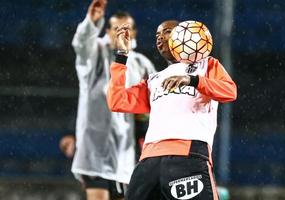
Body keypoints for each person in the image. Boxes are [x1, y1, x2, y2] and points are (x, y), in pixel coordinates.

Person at [106, 20, 237, 200]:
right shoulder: (154, 80)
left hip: (187, 155)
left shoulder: (206, 65)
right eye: (157, 36)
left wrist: (193, 80)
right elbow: (117, 101)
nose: (160, 39)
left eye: (167, 32)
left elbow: (230, 92)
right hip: (148, 161)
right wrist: (121, 56)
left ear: (184, 33)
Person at [70, 0, 156, 199]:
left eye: (126, 29)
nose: (121, 33)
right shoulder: (95, 54)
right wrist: (91, 22)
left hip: (125, 154)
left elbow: (156, 98)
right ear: (107, 31)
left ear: (133, 33)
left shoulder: (142, 64)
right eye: (116, 28)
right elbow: (81, 45)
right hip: (94, 150)